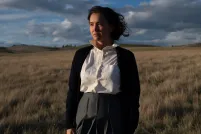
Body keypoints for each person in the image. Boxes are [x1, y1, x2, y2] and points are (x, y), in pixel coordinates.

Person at [65, 5, 140, 134]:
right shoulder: (81, 55)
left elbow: (133, 95)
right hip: (84, 112)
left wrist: (130, 126)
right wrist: (69, 124)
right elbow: (73, 91)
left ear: (111, 26)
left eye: (99, 24)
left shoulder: (125, 57)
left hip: (113, 114)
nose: (94, 29)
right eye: (91, 24)